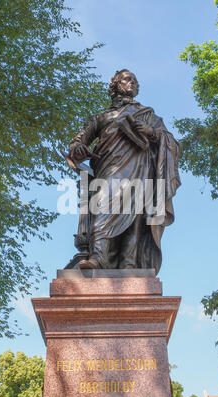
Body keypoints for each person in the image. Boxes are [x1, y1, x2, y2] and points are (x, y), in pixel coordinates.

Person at [69, 69, 181, 272]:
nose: (133, 83)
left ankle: (130, 263)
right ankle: (98, 257)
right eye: (128, 79)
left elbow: (172, 143)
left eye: (135, 81)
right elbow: (77, 144)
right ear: (116, 85)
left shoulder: (148, 115)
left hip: (140, 168)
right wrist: (78, 149)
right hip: (109, 169)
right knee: (103, 206)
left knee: (136, 215)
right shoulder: (102, 117)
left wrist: (152, 132)